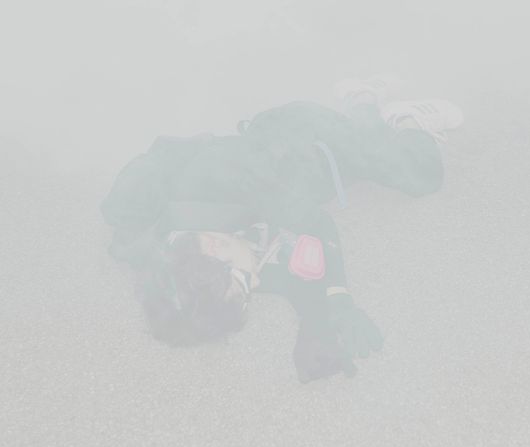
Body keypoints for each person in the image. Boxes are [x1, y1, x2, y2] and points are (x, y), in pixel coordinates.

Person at [101, 87, 462, 382]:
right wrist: (315, 328)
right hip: (267, 155)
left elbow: (317, 227)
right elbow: (285, 273)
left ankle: (384, 109)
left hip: (309, 134)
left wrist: (340, 301)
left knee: (421, 174)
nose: (255, 282)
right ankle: (364, 111)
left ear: (214, 244)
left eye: (244, 283)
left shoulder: (250, 184)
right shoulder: (178, 258)